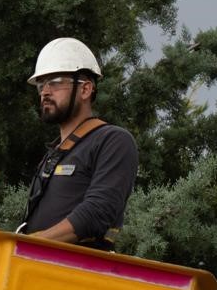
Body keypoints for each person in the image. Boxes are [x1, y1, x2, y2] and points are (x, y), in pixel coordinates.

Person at [20, 38, 138, 249]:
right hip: (38, 264)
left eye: (55, 82)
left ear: (85, 90)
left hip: (76, 266)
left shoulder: (112, 141)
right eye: (41, 85)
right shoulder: (54, 154)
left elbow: (97, 213)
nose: (45, 92)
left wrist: (30, 245)